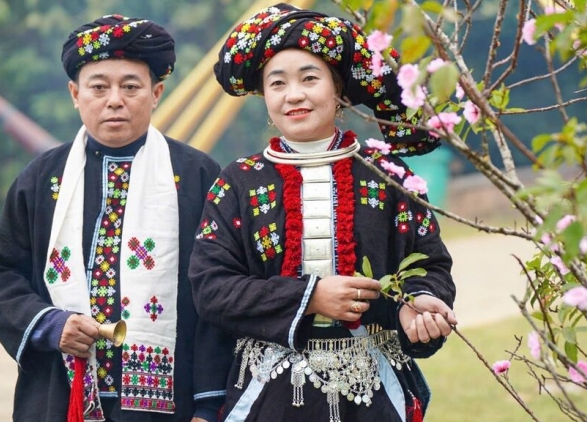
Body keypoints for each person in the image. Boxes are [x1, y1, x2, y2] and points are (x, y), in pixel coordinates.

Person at [189, 3, 457, 422]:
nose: (293, 94)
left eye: (310, 78)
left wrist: (418, 302)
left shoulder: (387, 175)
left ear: (338, 89)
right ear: (263, 95)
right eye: (277, 83)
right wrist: (310, 297)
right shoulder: (237, 182)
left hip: (376, 392)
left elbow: (430, 262)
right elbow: (211, 287)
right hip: (268, 394)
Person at [0, 14, 226, 422]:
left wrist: (210, 407)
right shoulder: (42, 179)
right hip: (60, 397)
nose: (114, 100)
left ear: (156, 93)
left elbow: (218, 289)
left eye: (131, 87)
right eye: (99, 87)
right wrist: (51, 325)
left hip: (173, 404)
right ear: (75, 94)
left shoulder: (197, 176)